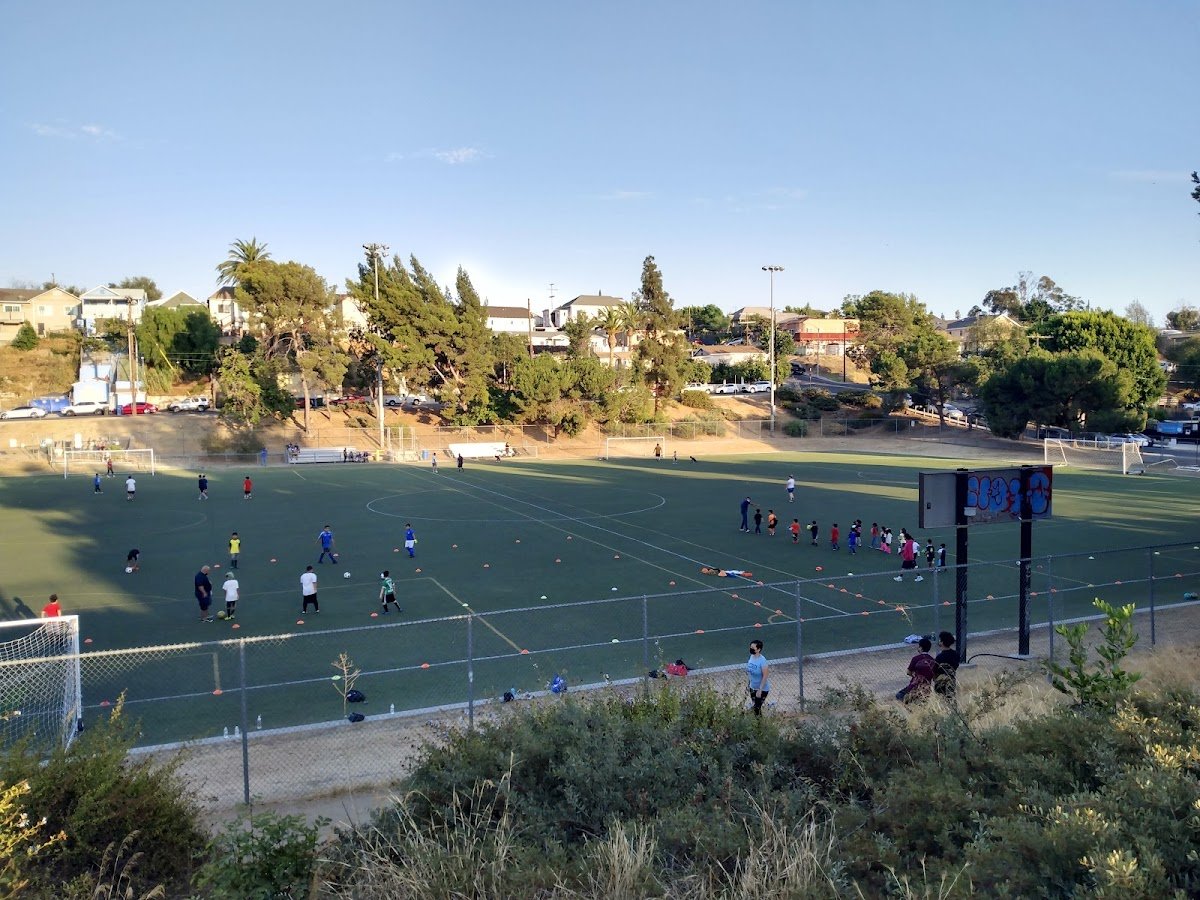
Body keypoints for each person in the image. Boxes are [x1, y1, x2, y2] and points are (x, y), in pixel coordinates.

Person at [896, 636, 937, 702]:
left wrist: (915, 676)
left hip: (915, 685)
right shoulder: (932, 660)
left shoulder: (916, 658)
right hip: (926, 687)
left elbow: (908, 672)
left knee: (899, 695)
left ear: (921, 648)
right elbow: (934, 675)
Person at [746, 639, 771, 716]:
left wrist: (760, 689)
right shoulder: (751, 657)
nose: (751, 649)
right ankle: (757, 724)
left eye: (753, 648)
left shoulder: (762, 660)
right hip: (753, 687)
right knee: (755, 707)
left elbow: (765, 675)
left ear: (759, 649)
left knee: (757, 708)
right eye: (751, 647)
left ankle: (759, 725)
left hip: (761, 688)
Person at [934, 631, 960, 698]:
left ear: (942, 642)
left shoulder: (940, 657)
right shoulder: (956, 654)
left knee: (941, 699)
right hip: (951, 680)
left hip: (941, 681)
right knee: (951, 698)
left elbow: (935, 670)